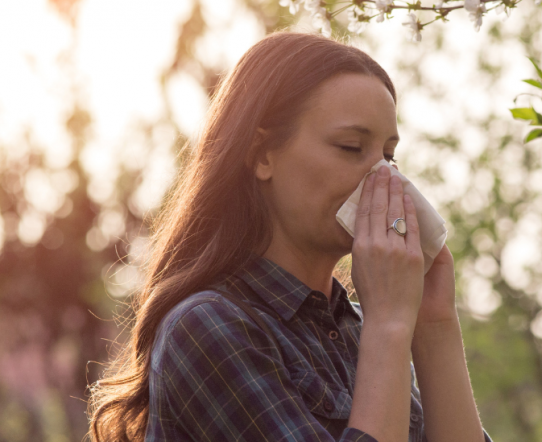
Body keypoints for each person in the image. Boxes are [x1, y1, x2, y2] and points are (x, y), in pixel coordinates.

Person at [87, 30, 492, 442]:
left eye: (389, 155)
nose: (384, 177)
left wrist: (435, 326)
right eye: (352, 147)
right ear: (263, 155)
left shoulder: (360, 329)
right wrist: (388, 328)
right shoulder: (209, 327)